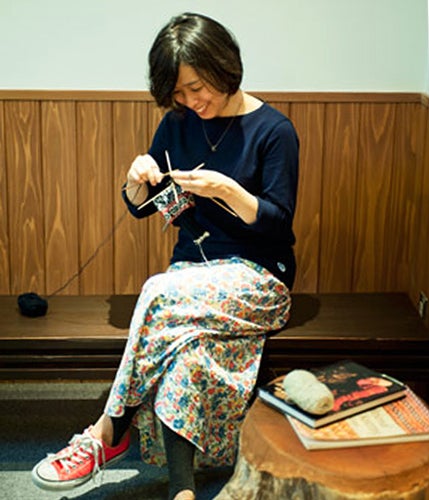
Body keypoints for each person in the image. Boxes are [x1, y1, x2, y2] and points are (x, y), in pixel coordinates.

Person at [31, 12, 299, 500]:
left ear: (224, 65)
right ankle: (182, 491)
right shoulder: (176, 124)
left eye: (197, 87)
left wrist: (226, 190)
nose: (192, 101)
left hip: (260, 281)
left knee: (156, 289)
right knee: (186, 354)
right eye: (179, 93)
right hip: (190, 281)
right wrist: (135, 182)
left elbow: (278, 221)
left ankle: (108, 431)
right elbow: (145, 206)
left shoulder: (274, 130)